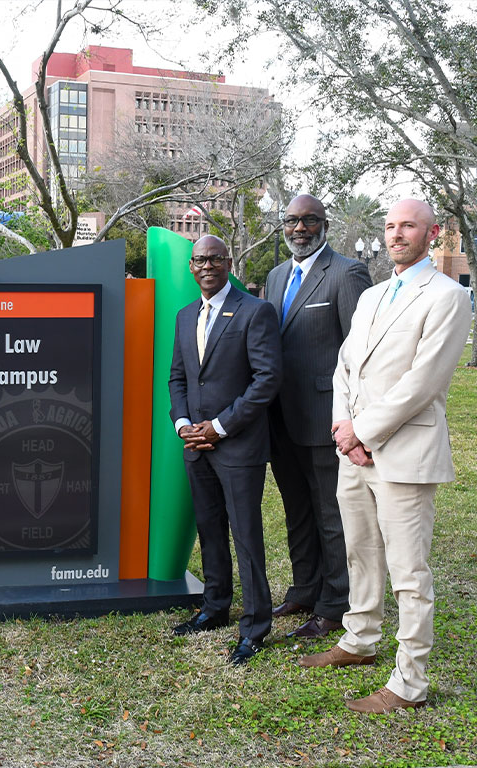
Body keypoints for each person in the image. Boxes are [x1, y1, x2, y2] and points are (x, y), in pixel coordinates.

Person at [299, 199, 471, 713]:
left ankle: (409, 683)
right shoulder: (373, 295)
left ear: (432, 233)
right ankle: (359, 639)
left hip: (404, 450)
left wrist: (363, 432)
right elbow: (344, 365)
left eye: (408, 226)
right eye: (391, 226)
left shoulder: (447, 296)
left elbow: (425, 380)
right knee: (360, 551)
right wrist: (343, 426)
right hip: (355, 451)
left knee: (408, 572)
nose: (397, 234)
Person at [168, 235, 281, 665]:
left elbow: (266, 380)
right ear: (191, 267)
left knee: (246, 536)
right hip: (196, 446)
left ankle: (255, 626)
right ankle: (215, 607)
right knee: (209, 529)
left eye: (215, 258)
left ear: (228, 262)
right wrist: (184, 427)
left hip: (238, 445)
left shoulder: (255, 311)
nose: (207, 266)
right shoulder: (184, 316)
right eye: (199, 260)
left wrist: (218, 427)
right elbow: (178, 379)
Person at [263, 195, 372, 638]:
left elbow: (363, 354)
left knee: (332, 514)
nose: (299, 229)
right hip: (279, 419)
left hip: (327, 418)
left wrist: (356, 421)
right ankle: (305, 588)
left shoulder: (347, 273)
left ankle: (335, 605)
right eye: (291, 221)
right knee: (297, 510)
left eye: (309, 220)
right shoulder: (274, 276)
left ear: (324, 224)